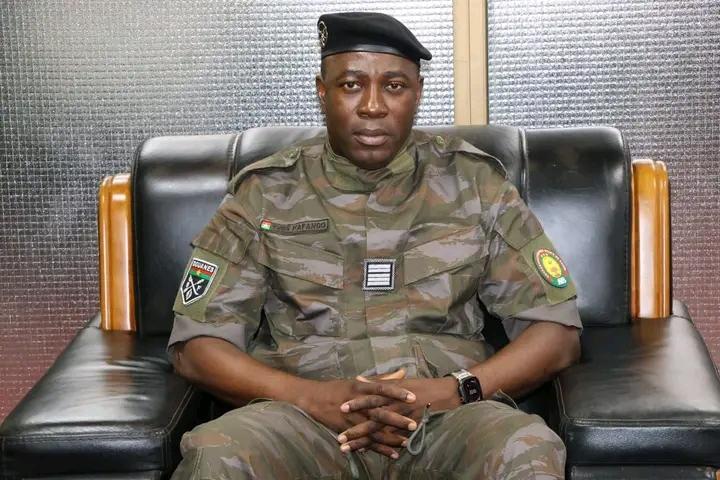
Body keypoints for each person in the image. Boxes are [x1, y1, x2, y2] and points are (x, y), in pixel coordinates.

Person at [168, 11, 582, 480]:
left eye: (394, 86)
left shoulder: (475, 184)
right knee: (217, 454)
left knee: (526, 449)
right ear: (322, 91)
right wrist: (308, 398)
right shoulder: (264, 192)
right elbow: (197, 345)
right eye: (351, 85)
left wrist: (454, 391)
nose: (372, 106)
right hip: (301, 423)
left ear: (418, 93)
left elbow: (556, 333)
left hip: (448, 422)